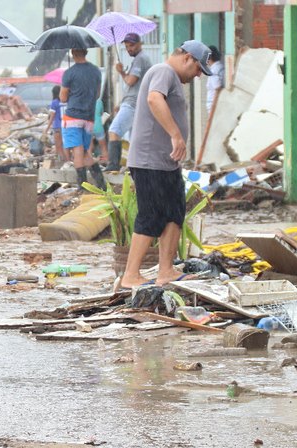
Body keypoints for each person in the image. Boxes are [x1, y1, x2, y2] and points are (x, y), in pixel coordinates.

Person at [115, 41, 211, 291]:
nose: (198, 75)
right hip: (149, 161)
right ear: (188, 58)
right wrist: (176, 135)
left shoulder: (171, 78)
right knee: (151, 215)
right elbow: (154, 99)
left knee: (175, 212)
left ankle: (166, 270)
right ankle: (131, 274)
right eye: (198, 68)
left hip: (165, 163)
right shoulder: (163, 71)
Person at [107, 33, 152, 172]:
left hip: (133, 104)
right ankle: (134, 168)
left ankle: (113, 165)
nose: (129, 49)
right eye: (126, 47)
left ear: (140, 44)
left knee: (114, 131)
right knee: (134, 140)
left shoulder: (140, 59)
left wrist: (121, 72)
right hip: (136, 103)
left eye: (131, 45)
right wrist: (121, 102)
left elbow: (131, 81)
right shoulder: (142, 59)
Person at [60, 48, 103, 189]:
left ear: (72, 53)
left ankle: (82, 186)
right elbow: (97, 95)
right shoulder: (96, 71)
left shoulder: (69, 73)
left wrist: (73, 92)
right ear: (86, 52)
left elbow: (63, 97)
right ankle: (101, 184)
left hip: (73, 116)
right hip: (89, 117)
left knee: (77, 151)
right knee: (84, 151)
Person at [44, 85, 67, 162]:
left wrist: (46, 129)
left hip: (57, 127)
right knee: (66, 145)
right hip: (67, 126)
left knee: (58, 146)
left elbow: (52, 117)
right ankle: (68, 161)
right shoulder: (67, 101)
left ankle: (62, 161)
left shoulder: (54, 102)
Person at [206, 45, 225, 116]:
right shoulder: (221, 66)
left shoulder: (213, 70)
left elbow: (217, 89)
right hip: (219, 104)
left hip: (213, 105)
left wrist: (213, 107)